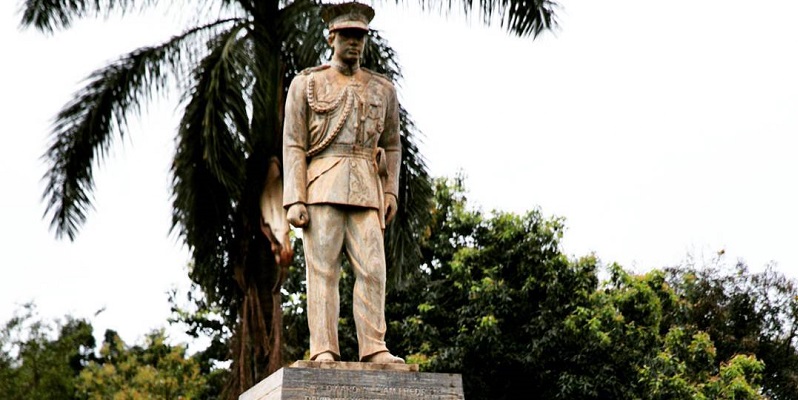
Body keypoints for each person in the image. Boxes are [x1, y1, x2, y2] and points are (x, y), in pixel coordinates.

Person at [282, 1, 403, 364]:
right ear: (331, 37)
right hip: (322, 185)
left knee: (373, 270)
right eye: (348, 35)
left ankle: (374, 346)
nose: (354, 43)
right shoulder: (307, 83)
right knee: (322, 271)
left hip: (367, 188)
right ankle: (323, 349)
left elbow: (393, 144)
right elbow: (294, 142)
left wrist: (391, 189)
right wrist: (295, 199)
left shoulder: (382, 89)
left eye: (360, 37)